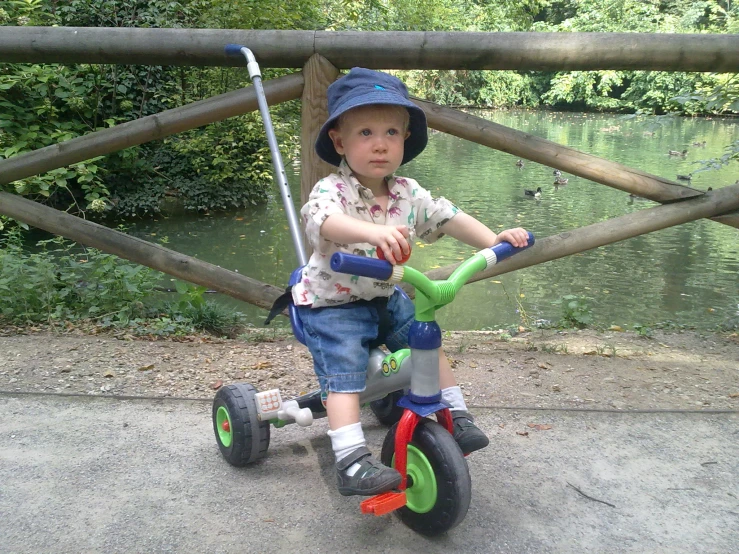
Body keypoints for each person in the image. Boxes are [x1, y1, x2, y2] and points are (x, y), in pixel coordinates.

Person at [293, 67, 530, 497]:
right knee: (344, 377)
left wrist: (491, 239)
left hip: (384, 298)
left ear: (405, 139)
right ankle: (350, 461)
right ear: (340, 141)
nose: (380, 143)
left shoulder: (408, 191)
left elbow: (446, 216)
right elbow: (324, 221)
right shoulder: (332, 190)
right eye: (365, 132)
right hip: (332, 306)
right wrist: (370, 233)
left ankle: (454, 413)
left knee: (426, 340)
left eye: (391, 132)